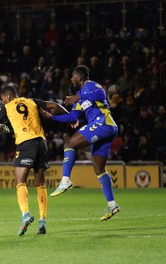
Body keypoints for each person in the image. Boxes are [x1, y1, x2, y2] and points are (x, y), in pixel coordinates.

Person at [0, 85, 68, 236]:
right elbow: (54, 105)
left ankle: (25, 214)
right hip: (41, 143)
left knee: (20, 181)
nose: (3, 102)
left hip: (25, 143)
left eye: (3, 100)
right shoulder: (32, 101)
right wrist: (70, 118)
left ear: (8, 97)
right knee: (40, 183)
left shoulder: (7, 106)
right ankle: (42, 221)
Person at [42, 65, 120, 221]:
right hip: (105, 128)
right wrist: (52, 117)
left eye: (73, 76)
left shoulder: (91, 85)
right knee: (99, 167)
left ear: (79, 77)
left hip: (104, 122)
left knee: (69, 144)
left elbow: (101, 92)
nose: (71, 79)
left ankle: (65, 180)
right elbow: (72, 118)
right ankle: (112, 205)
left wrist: (78, 97)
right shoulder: (80, 95)